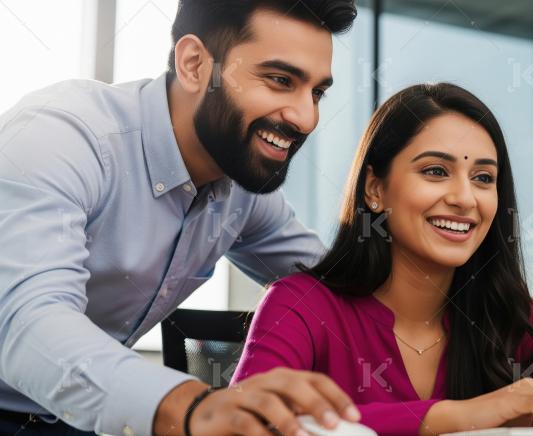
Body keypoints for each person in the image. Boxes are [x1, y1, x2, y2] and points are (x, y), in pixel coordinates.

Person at [231, 83, 533, 435]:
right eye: (435, 171)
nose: (465, 198)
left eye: (483, 178)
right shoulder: (301, 305)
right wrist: (460, 417)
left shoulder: (512, 316)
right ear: (375, 189)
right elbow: (246, 427)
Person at [0, 1, 362, 435]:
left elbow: (333, 289)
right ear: (193, 64)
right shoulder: (63, 136)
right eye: (279, 80)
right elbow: (26, 322)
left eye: (316, 92)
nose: (306, 118)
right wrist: (192, 408)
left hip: (77, 419)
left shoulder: (238, 187)